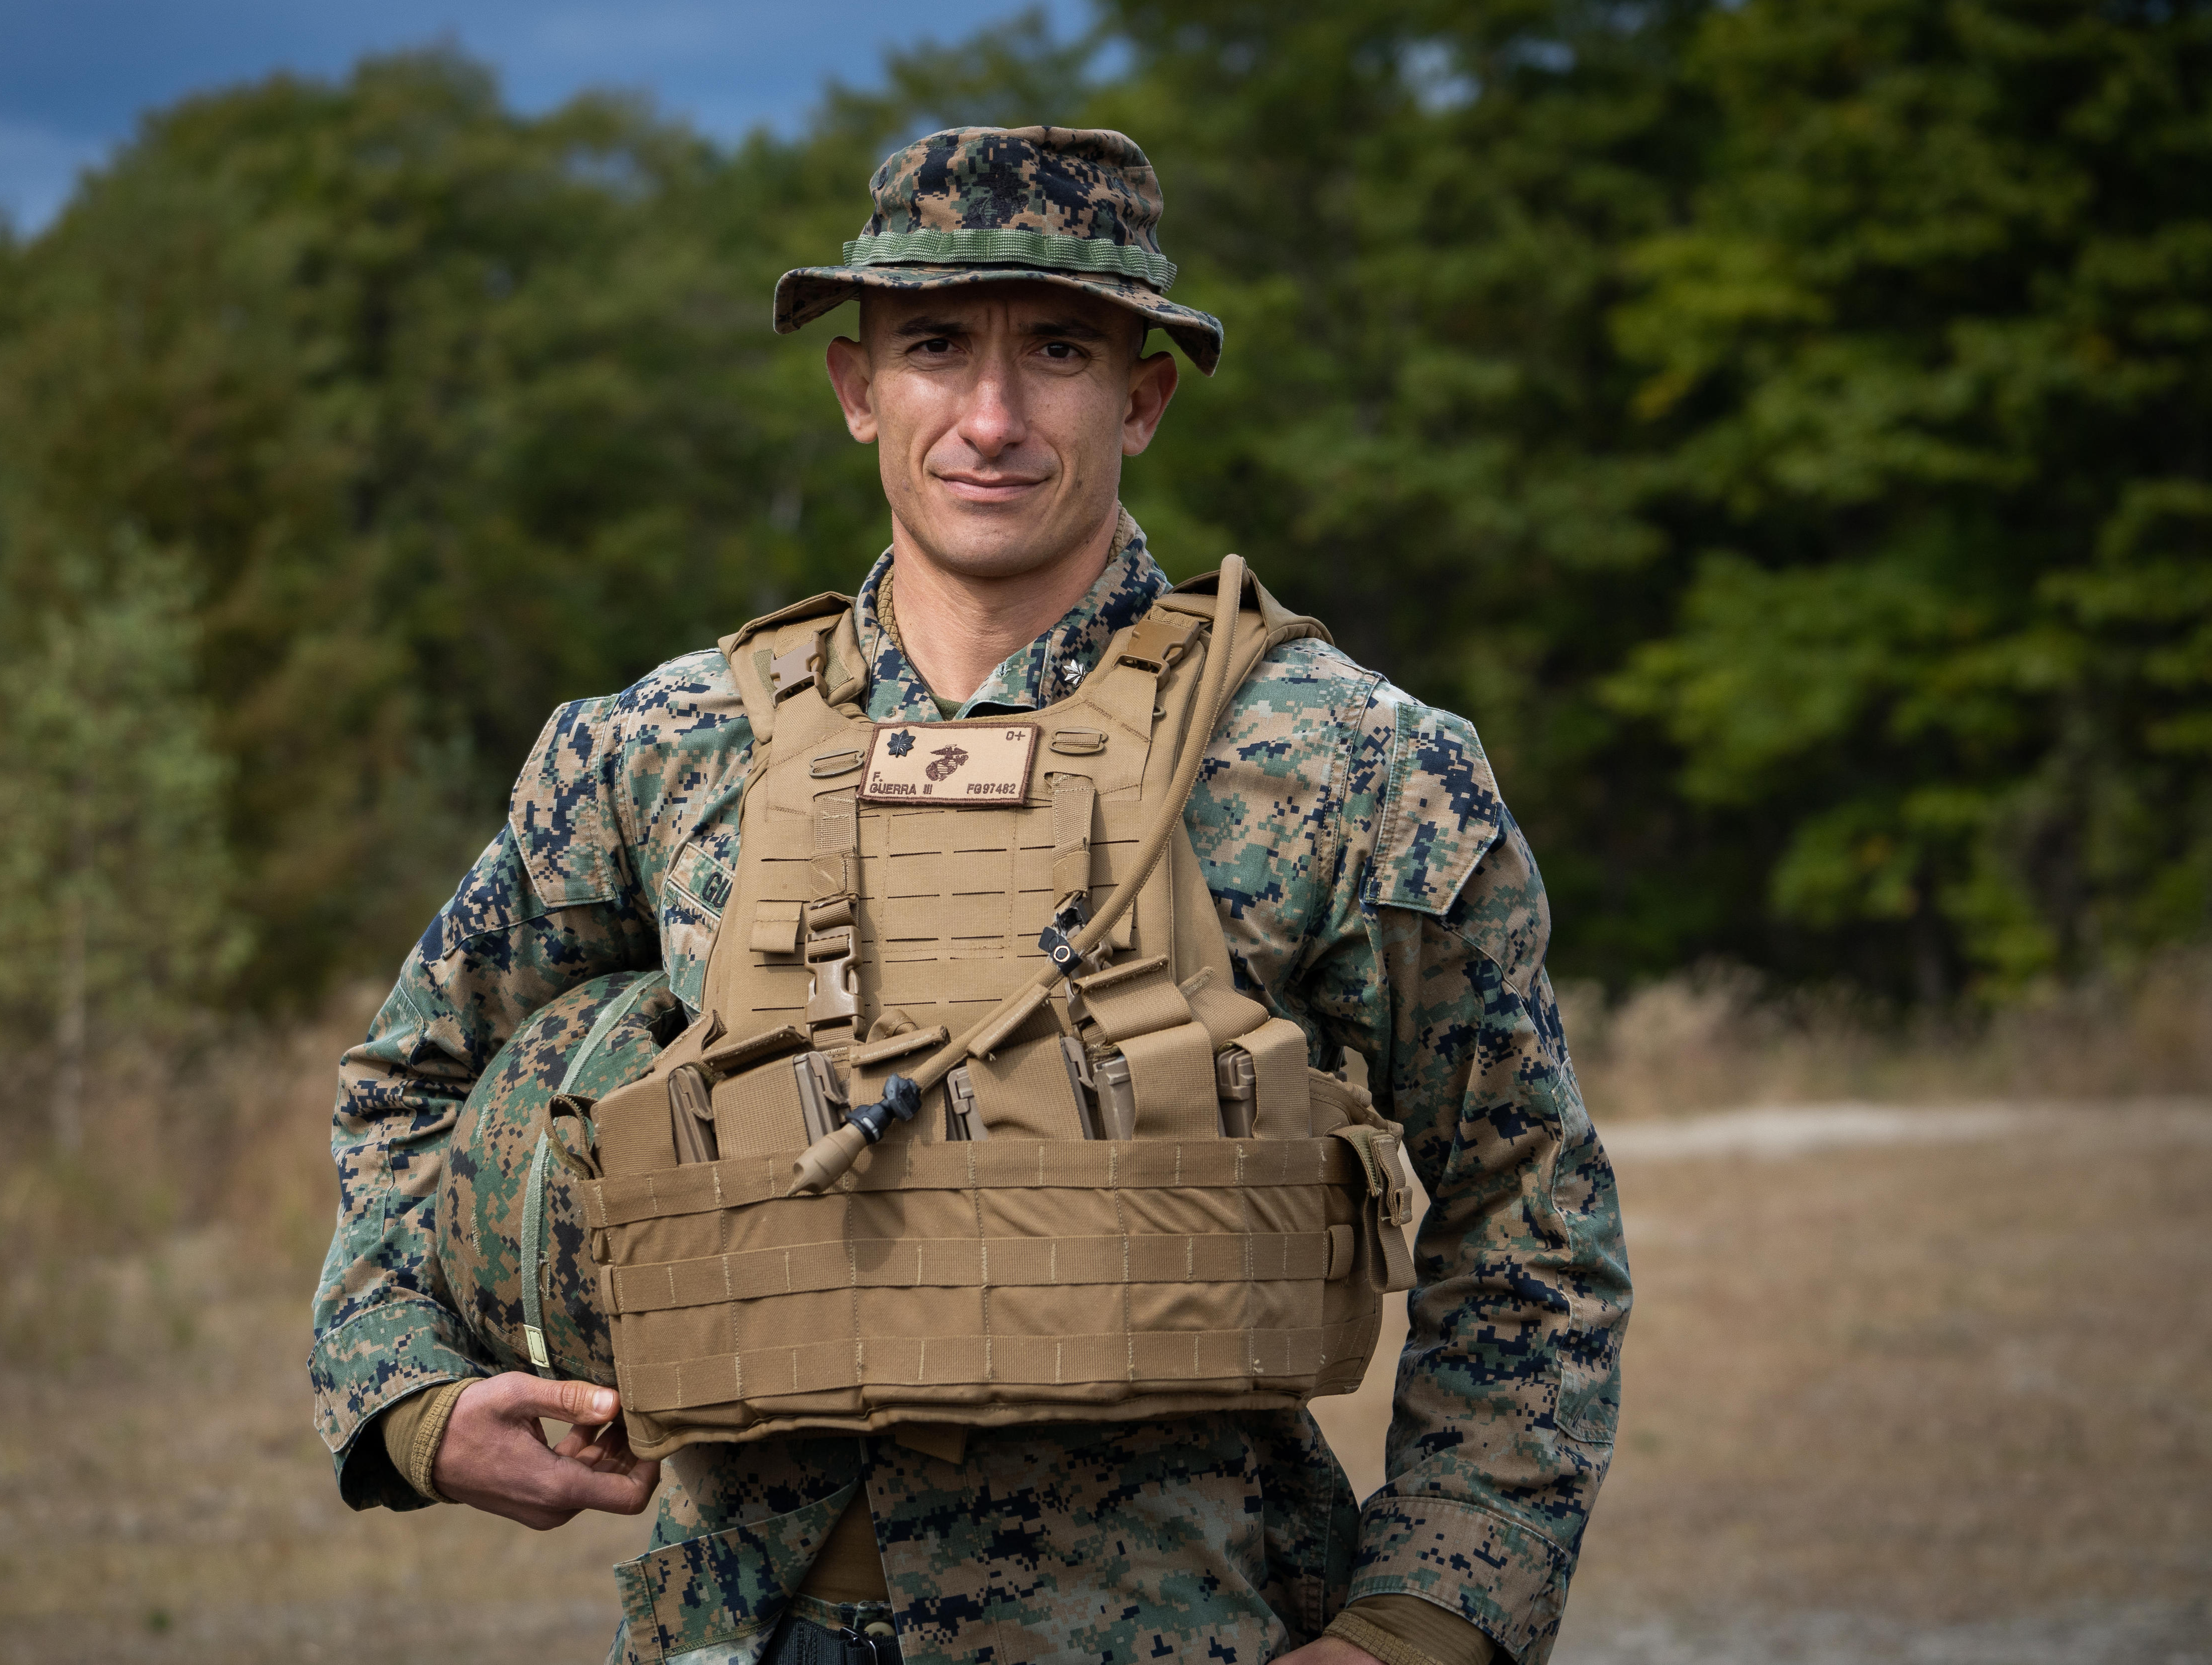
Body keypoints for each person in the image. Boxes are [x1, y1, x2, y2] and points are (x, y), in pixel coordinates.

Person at [310, 125, 1629, 1665]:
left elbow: (1524, 1222)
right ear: (860, 387)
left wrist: (1424, 1622)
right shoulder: (660, 751)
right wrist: (408, 1391)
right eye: (937, 346)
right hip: (742, 1627)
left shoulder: (1350, 764)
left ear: (1141, 398)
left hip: (1187, 1625)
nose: (991, 417)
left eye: (1058, 351)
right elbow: (412, 1082)